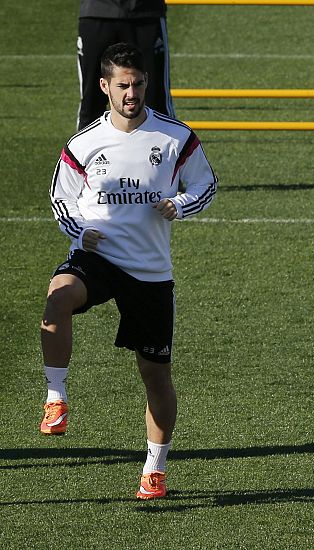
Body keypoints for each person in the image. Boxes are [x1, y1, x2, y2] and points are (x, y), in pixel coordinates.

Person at [40, 43, 217, 500]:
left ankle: (154, 468)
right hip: (99, 257)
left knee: (155, 375)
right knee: (58, 296)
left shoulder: (175, 137)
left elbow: (206, 184)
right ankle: (56, 397)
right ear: (104, 87)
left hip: (150, 270)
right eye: (123, 85)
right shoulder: (83, 144)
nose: (132, 93)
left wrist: (179, 203)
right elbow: (61, 198)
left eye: (138, 84)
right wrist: (80, 230)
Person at [77, 0, 174, 130]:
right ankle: (87, 149)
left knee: (156, 101)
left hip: (144, 12)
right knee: (91, 105)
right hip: (96, 11)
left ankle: (166, 149)